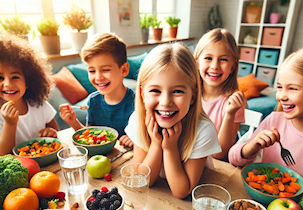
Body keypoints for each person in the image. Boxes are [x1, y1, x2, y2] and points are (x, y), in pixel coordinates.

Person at [125, 43, 221, 199]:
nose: (165, 102)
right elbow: (143, 181)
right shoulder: (138, 120)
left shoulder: (203, 130)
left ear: (193, 96)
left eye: (177, 91)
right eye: (155, 90)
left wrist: (169, 148)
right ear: (142, 94)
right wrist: (156, 144)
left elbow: (181, 191)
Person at [229, 45, 303, 188]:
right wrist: (251, 147)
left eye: (292, 88)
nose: (280, 96)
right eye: (279, 87)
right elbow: (233, 158)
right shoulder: (275, 120)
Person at [60, 33, 134, 147]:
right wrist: (73, 122)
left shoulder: (138, 102)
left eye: (105, 70)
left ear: (124, 70)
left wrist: (136, 138)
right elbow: (90, 136)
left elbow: (151, 137)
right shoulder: (93, 101)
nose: (98, 77)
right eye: (92, 71)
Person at [0, 33, 59, 155]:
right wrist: (10, 124)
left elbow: (56, 132)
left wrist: (51, 133)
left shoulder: (39, 105)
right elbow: (2, 156)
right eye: (0, 78)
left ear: (28, 81)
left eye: (15, 77)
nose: (8, 84)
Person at [194, 28, 246, 160]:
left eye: (223, 60)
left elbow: (219, 154)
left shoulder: (234, 103)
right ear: (197, 62)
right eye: (208, 58)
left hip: (215, 165)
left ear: (232, 66)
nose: (215, 66)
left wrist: (230, 114)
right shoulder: (188, 93)